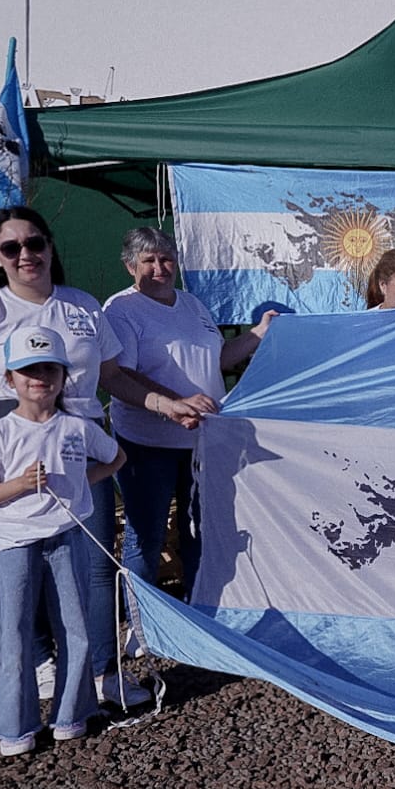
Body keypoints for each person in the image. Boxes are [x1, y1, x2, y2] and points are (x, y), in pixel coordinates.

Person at [0, 207, 199, 707]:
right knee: (24, 556)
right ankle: (40, 661)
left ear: (51, 247)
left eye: (33, 243)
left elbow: (115, 379)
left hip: (81, 440)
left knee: (95, 560)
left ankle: (102, 671)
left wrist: (168, 405)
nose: (25, 255)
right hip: (12, 443)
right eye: (11, 247)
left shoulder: (81, 307)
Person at [0, 327, 124, 756]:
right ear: (11, 380)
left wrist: (80, 484)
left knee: (77, 629)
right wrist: (18, 485)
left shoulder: (77, 427)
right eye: (28, 370)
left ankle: (71, 714)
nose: (40, 378)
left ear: (63, 377)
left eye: (50, 369)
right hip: (15, 544)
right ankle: (16, 726)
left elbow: (115, 457)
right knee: (13, 635)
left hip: (67, 538)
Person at [103, 228, 273, 600]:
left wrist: (258, 333)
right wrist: (178, 402)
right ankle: (143, 622)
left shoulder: (192, 304)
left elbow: (217, 360)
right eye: (148, 260)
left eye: (166, 258)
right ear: (131, 266)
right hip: (148, 442)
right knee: (146, 533)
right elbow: (121, 373)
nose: (159, 267)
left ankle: (200, 615)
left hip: (200, 441)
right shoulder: (120, 310)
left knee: (199, 530)